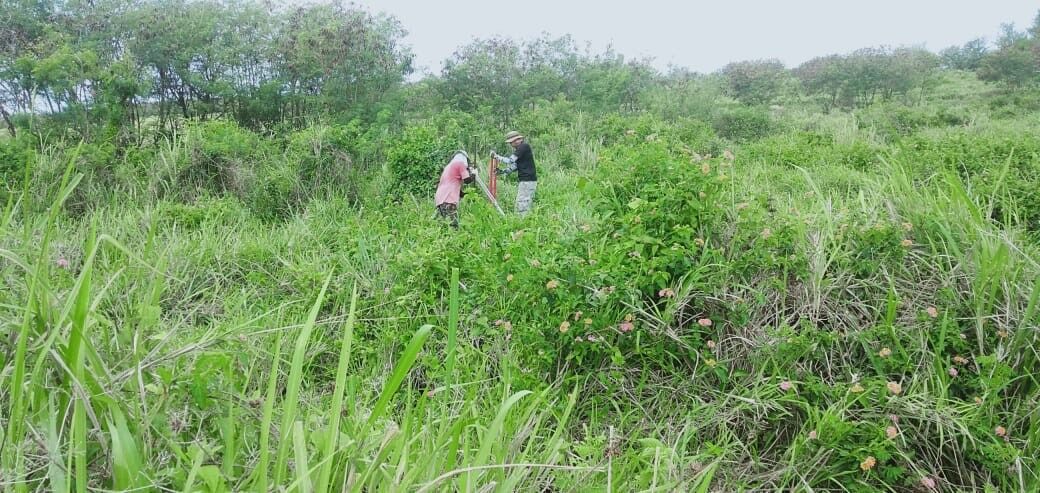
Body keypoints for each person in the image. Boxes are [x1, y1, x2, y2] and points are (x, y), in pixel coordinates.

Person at [491, 131, 536, 216]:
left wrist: (496, 157)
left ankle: (521, 223)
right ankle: (521, 221)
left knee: (522, 204)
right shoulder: (521, 150)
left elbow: (510, 161)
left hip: (527, 180)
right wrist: (502, 171)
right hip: (526, 180)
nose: (511, 144)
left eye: (511, 142)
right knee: (521, 202)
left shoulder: (523, 147)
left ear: (517, 140)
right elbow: (515, 166)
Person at [434, 150, 476, 228]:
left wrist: (467, 195)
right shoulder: (459, 164)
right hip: (448, 199)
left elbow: (457, 189)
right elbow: (467, 180)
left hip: (440, 199)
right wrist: (474, 173)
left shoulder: (449, 167)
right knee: (454, 227)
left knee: (444, 226)